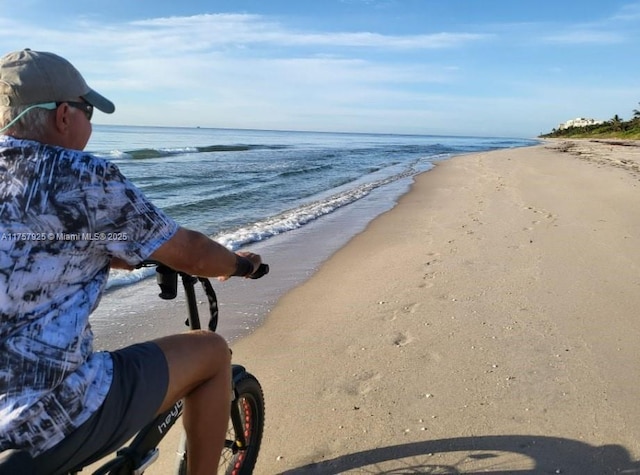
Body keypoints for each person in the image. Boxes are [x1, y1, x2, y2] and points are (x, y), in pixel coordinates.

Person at [0, 49, 264, 475]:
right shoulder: (85, 177)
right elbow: (192, 253)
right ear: (64, 115)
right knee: (213, 352)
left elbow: (38, 247)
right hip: (43, 419)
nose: (91, 122)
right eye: (88, 111)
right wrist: (238, 265)